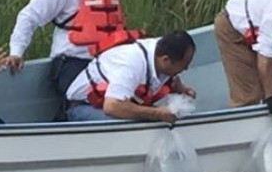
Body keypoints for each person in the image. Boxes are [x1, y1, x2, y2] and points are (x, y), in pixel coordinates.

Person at [7, 0, 139, 101]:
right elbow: (29, 16)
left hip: (106, 61)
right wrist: (16, 52)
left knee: (133, 93)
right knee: (101, 99)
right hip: (72, 63)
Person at [64, 31, 196, 124]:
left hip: (110, 104)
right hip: (83, 107)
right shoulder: (131, 63)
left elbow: (167, 78)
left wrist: (181, 89)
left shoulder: (160, 52)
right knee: (132, 125)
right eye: (183, 66)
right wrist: (158, 113)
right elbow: (112, 107)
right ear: (166, 60)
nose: (185, 69)